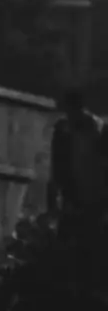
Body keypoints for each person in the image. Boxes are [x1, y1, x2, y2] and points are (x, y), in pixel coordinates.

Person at [48, 89, 108, 240]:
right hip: (75, 194)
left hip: (93, 196)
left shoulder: (96, 130)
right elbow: (58, 165)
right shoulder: (64, 130)